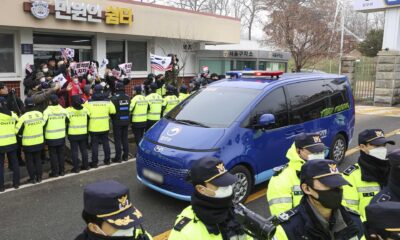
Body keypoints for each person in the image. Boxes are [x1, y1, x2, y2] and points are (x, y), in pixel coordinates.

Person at [273, 159, 365, 240]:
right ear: (306, 189)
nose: (336, 189)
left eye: (338, 184)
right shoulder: (285, 230)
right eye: (328, 184)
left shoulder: (355, 220)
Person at [169, 157, 253, 240]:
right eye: (220, 184)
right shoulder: (186, 232)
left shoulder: (234, 212)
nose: (228, 187)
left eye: (227, 182)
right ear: (201, 189)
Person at [267, 133, 326, 216]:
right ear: (298, 151)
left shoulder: (326, 170)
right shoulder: (280, 179)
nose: (319, 155)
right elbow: (283, 219)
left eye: (320, 151)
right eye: (314, 151)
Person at [342, 129, 395, 217]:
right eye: (377, 146)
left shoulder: (394, 170)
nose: (382, 149)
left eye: (384, 145)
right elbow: (350, 213)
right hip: (368, 229)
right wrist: (370, 229)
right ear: (362, 147)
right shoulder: (351, 176)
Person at [75, 180, 153, 240]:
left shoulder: (142, 237)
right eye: (119, 225)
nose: (129, 228)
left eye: (131, 218)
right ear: (94, 228)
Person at [85, 85, 116, 168]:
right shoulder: (108, 101)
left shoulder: (88, 102)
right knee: (106, 143)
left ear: (94, 90)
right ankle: (107, 160)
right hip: (104, 126)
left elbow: (85, 113)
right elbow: (113, 111)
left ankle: (94, 163)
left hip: (93, 127)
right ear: (102, 91)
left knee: (94, 145)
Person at [16, 97, 45, 184]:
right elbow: (43, 124)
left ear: (25, 105)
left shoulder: (23, 117)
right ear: (34, 104)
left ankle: (32, 178)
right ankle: (39, 177)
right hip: (39, 141)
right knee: (38, 160)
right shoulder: (40, 114)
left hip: (28, 144)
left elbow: (16, 130)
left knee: (30, 162)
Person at [0, 82, 25, 168]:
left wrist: (20, 111)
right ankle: (10, 164)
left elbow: (20, 103)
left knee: (17, 143)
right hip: (4, 126)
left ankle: (18, 160)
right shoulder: (1, 100)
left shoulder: (12, 95)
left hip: (15, 122)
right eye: (5, 88)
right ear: (1, 90)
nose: (7, 89)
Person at [43, 94, 68, 177]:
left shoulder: (46, 112)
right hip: (61, 136)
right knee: (61, 154)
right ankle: (62, 171)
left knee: (53, 155)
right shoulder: (63, 110)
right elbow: (68, 121)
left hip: (51, 137)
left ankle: (55, 172)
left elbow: (43, 124)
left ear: (49, 101)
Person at [0, 97, 20, 191]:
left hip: (1, 145)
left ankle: (1, 187)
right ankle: (16, 183)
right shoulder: (12, 114)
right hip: (12, 142)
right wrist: (14, 132)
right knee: (15, 164)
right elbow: (19, 125)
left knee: (0, 166)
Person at [67, 95, 90, 173]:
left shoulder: (68, 110)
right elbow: (89, 117)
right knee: (84, 150)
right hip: (83, 133)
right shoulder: (85, 110)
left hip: (73, 134)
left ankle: (76, 168)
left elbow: (65, 120)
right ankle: (86, 166)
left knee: (74, 151)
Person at [110, 82, 131, 163]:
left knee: (118, 140)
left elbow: (111, 112)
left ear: (117, 88)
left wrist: (113, 119)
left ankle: (118, 158)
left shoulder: (113, 98)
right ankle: (125, 156)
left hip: (117, 122)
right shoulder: (128, 97)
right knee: (125, 139)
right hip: (126, 121)